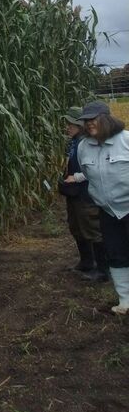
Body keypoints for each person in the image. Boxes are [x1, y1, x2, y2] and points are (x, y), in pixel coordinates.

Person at [77, 100, 129, 314]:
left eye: (94, 118)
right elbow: (87, 175)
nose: (89, 123)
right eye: (86, 120)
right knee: (116, 255)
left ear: (107, 118)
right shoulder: (83, 147)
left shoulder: (126, 140)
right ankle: (125, 301)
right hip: (108, 211)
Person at [57, 107, 108, 281]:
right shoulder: (74, 142)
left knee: (92, 229)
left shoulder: (88, 143)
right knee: (76, 227)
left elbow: (97, 167)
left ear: (80, 125)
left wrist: (76, 178)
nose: (67, 127)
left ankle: (102, 270)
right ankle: (86, 262)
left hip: (86, 195)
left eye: (71, 124)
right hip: (75, 195)